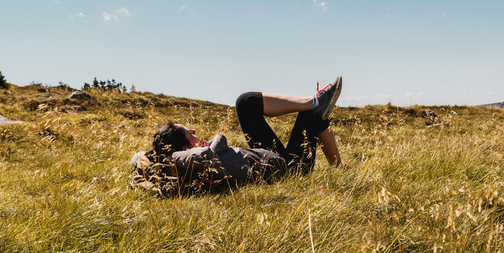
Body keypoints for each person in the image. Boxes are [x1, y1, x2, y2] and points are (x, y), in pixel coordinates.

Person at [131, 77, 345, 196]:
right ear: (185, 148)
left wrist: (154, 155)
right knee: (310, 116)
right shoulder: (201, 157)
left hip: (266, 157)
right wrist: (215, 139)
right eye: (189, 133)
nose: (194, 131)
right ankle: (336, 163)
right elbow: (207, 152)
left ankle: (315, 101)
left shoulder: (187, 159)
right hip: (289, 169)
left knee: (245, 103)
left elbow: (138, 156)